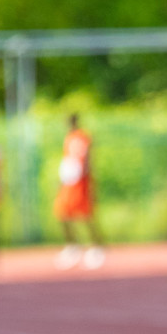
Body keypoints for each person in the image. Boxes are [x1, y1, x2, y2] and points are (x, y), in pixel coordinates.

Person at [54, 113, 104, 269]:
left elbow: (87, 160)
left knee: (86, 214)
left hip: (80, 182)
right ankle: (72, 246)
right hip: (69, 183)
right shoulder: (68, 138)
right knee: (62, 212)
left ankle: (97, 247)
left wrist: (87, 180)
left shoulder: (82, 137)